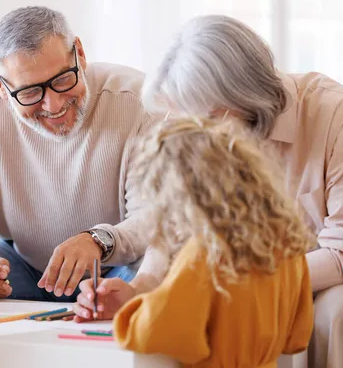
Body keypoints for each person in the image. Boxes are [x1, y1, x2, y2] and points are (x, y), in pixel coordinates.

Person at [75, 14, 343, 367]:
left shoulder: (333, 113)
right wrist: (140, 287)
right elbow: (175, 224)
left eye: (189, 116)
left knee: (341, 308)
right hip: (260, 283)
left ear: (233, 105)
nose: (181, 128)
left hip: (325, 273)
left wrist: (252, 282)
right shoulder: (194, 134)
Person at [0, 6, 159, 302]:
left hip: (118, 269)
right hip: (24, 270)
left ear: (80, 54)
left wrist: (99, 241)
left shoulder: (140, 103)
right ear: (0, 85)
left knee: (172, 258)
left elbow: (156, 218)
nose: (53, 104)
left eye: (63, 79)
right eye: (30, 92)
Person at [111, 116, 314, 367]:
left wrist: (131, 311)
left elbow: (152, 331)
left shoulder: (205, 254)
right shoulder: (286, 245)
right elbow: (297, 337)